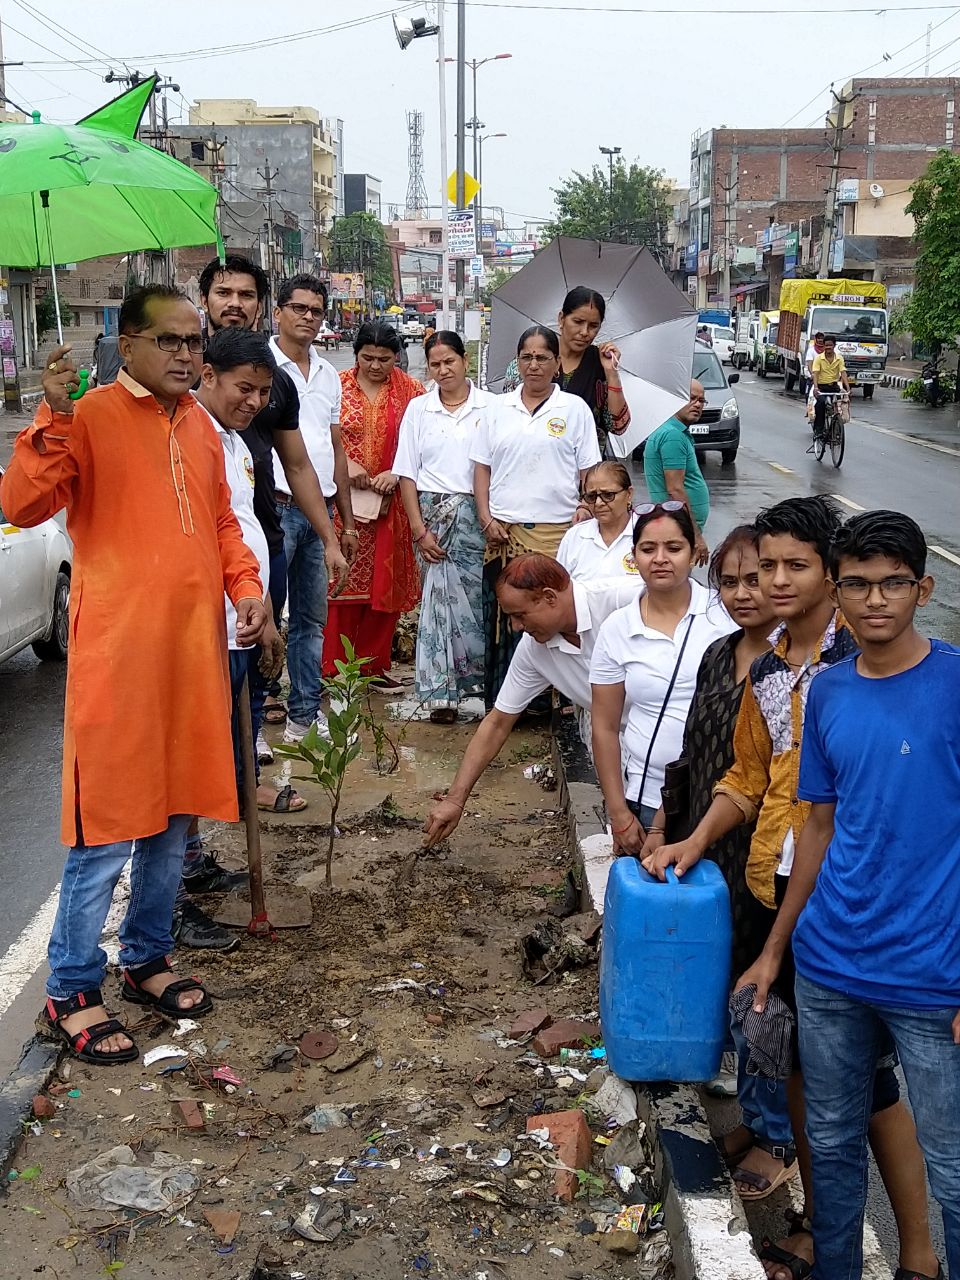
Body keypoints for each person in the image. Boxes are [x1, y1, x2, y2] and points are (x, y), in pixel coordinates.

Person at [646, 496, 938, 1280]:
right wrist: (691, 840)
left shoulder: (864, 661)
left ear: (830, 574)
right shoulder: (769, 664)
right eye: (763, 565)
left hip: (871, 912)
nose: (774, 581)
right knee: (815, 1082)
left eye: (793, 566)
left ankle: (915, 1249)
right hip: (783, 894)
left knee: (877, 1094)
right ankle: (826, 1226)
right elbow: (750, 777)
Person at [0, 285, 267, 1064]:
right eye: (173, 342)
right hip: (118, 656)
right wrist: (49, 415)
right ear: (130, 343)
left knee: (177, 810)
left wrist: (245, 590)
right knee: (107, 824)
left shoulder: (201, 428)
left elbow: (222, 522)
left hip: (193, 653)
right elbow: (21, 502)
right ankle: (71, 988)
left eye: (197, 342)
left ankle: (146, 955)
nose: (190, 355)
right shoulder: (86, 420)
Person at [739, 510, 954, 1280]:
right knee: (828, 1148)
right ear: (842, 589)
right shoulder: (823, 692)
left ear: (922, 589)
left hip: (933, 978)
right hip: (829, 968)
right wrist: (774, 953)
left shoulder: (954, 684)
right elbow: (817, 829)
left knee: (953, 1168)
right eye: (858, 583)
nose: (873, 600)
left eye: (891, 583)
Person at [640, 527, 792, 1203]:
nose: (742, 594)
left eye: (754, 579)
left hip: (765, 856)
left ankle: (777, 1136)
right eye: (729, 582)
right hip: (708, 846)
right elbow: (693, 753)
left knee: (765, 998)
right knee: (729, 983)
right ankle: (759, 1118)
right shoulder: (716, 655)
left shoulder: (795, 667)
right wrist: (664, 822)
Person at [198, 256, 348, 757]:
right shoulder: (181, 380)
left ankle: (252, 747)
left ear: (259, 305)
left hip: (264, 533)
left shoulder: (275, 383)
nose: (234, 304)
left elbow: (300, 464)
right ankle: (215, 771)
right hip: (196, 543)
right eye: (224, 294)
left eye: (245, 295)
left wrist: (329, 536)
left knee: (264, 641)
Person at [421, 553, 642, 847]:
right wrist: (455, 799)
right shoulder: (534, 649)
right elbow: (498, 723)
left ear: (550, 597)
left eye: (520, 615)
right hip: (619, 747)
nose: (515, 626)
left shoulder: (627, 599)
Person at [589, 503, 736, 844]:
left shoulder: (724, 616)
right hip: (644, 797)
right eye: (648, 549)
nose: (660, 559)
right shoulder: (618, 628)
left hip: (719, 801)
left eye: (673, 548)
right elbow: (605, 727)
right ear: (633, 556)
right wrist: (619, 813)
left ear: (693, 551)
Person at [472, 325, 601, 709]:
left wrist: (584, 506)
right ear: (517, 362)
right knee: (504, 621)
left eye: (543, 357)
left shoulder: (574, 410)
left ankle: (550, 702)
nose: (534, 365)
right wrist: (485, 517)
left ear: (557, 363)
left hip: (555, 537)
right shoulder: (498, 409)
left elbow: (589, 472)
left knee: (547, 618)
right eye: (526, 357)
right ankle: (505, 703)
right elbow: (482, 469)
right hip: (502, 536)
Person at [268, 274, 355, 742]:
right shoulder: (261, 366)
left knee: (310, 620)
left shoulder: (326, 375)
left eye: (315, 310)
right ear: (278, 311)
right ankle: (260, 721)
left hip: (319, 511)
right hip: (275, 510)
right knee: (263, 616)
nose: (307, 317)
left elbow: (335, 449)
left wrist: (346, 523)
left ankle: (303, 716)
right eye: (298, 308)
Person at [324, 320, 425, 684]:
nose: (376, 366)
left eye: (384, 359)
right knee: (340, 582)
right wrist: (344, 463)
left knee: (384, 585)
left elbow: (422, 441)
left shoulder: (412, 391)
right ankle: (333, 667)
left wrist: (396, 472)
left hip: (389, 503)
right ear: (356, 356)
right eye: (367, 358)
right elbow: (316, 434)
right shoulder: (335, 386)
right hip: (342, 503)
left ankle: (373, 666)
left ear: (396, 357)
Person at [395, 331, 489, 722]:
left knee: (478, 604)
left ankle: (479, 684)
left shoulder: (491, 407)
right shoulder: (419, 409)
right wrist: (419, 529)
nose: (443, 370)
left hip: (477, 517)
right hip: (433, 518)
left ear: (465, 360)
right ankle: (441, 694)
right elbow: (406, 475)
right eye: (435, 364)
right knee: (436, 601)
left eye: (449, 361)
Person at [502, 286, 629, 456]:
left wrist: (611, 373)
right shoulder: (528, 364)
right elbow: (508, 421)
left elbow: (618, 426)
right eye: (577, 322)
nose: (584, 332)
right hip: (531, 462)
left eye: (593, 326)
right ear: (562, 318)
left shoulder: (601, 364)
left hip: (586, 472)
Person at [642, 380, 710, 566]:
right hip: (677, 525)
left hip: (673, 524)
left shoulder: (673, 432)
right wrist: (695, 535)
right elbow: (675, 490)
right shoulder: (673, 436)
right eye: (692, 398)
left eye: (701, 400)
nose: (697, 404)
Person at [557, 461, 639, 582]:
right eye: (591, 497)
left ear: (629, 494)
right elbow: (561, 587)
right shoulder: (574, 537)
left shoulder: (647, 534)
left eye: (608, 495)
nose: (598, 503)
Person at [811, 333, 849, 440]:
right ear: (823, 346)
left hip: (834, 387)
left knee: (839, 405)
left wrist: (847, 388)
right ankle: (818, 429)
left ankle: (835, 428)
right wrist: (816, 387)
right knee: (820, 404)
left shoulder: (839, 358)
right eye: (826, 345)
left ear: (834, 346)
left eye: (830, 345)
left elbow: (843, 372)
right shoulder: (819, 359)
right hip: (821, 387)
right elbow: (815, 373)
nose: (828, 348)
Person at [801, 329, 825, 398]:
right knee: (809, 395)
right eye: (819, 338)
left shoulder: (827, 351)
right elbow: (809, 364)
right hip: (812, 377)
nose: (820, 340)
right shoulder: (811, 350)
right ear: (816, 339)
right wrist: (812, 374)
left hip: (824, 378)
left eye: (822, 338)